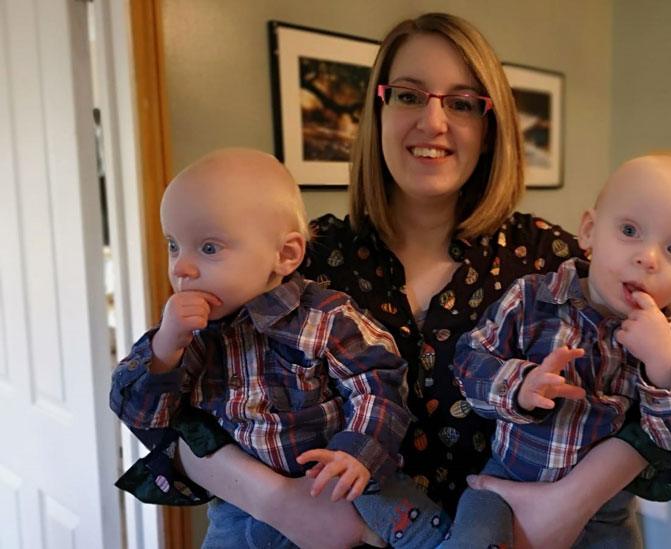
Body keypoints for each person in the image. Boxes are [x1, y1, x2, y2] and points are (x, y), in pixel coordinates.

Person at [116, 13, 671, 548]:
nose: (434, 122)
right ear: (379, 108)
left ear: (489, 125)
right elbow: (174, 400)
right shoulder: (302, 259)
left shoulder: (552, 258)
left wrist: (574, 498)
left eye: (463, 103)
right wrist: (277, 502)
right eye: (410, 95)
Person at [109, 148, 448, 547]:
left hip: (333, 488)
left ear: (285, 255)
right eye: (173, 245)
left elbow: (378, 383)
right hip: (238, 510)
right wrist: (165, 350)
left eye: (209, 248)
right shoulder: (191, 334)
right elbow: (145, 416)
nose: (181, 267)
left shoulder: (326, 317)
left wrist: (357, 451)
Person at [448, 154, 671, 545]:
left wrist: (663, 364)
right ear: (589, 231)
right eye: (629, 230)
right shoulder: (532, 298)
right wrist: (520, 383)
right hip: (500, 490)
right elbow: (469, 360)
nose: (648, 258)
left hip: (606, 514)